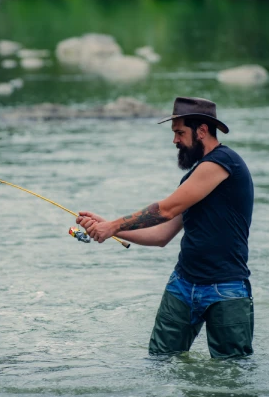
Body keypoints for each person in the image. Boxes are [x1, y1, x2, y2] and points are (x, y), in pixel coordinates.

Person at [76, 97, 254, 358]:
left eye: (180, 133)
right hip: (182, 285)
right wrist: (109, 227)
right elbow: (161, 235)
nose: (175, 141)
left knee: (230, 375)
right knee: (159, 363)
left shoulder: (222, 163)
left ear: (202, 131)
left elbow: (165, 210)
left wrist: (113, 225)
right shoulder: (194, 178)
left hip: (226, 289)